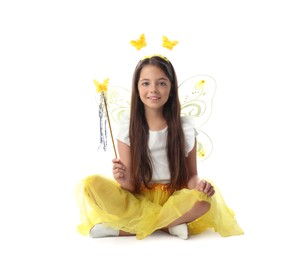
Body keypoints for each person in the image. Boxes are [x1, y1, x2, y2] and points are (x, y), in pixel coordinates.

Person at [75, 55, 244, 240]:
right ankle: (169, 226)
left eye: (161, 83)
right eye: (146, 83)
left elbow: (190, 176)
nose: (153, 89)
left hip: (174, 198)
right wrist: (122, 179)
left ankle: (122, 230)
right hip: (138, 199)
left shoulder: (184, 128)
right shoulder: (127, 127)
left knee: (204, 202)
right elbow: (130, 186)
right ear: (137, 88)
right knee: (91, 185)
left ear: (171, 88)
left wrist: (199, 185)